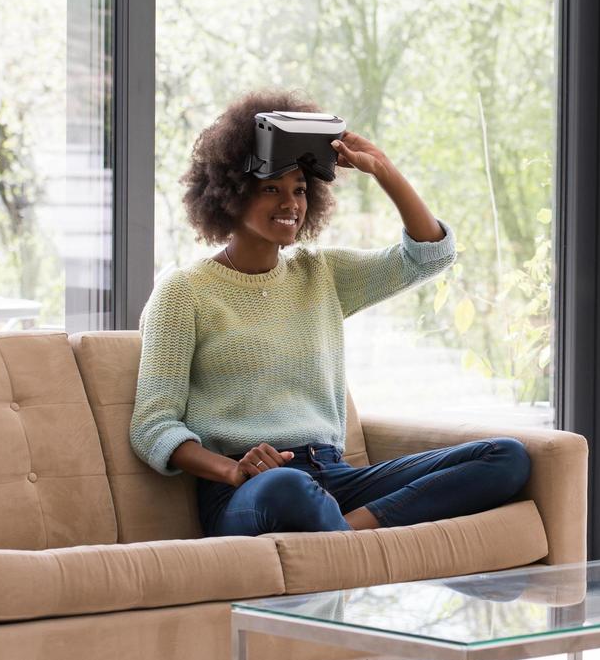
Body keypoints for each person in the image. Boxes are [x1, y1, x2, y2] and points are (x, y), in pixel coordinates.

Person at [129, 89, 531, 538]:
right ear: (231, 194)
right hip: (252, 490)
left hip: (335, 476)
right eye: (270, 189)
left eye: (299, 189)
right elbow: (153, 426)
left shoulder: (319, 273)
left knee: (506, 458)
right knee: (289, 487)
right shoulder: (184, 291)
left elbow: (429, 256)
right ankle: (348, 540)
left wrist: (382, 169)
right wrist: (230, 470)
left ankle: (346, 533)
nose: (290, 204)